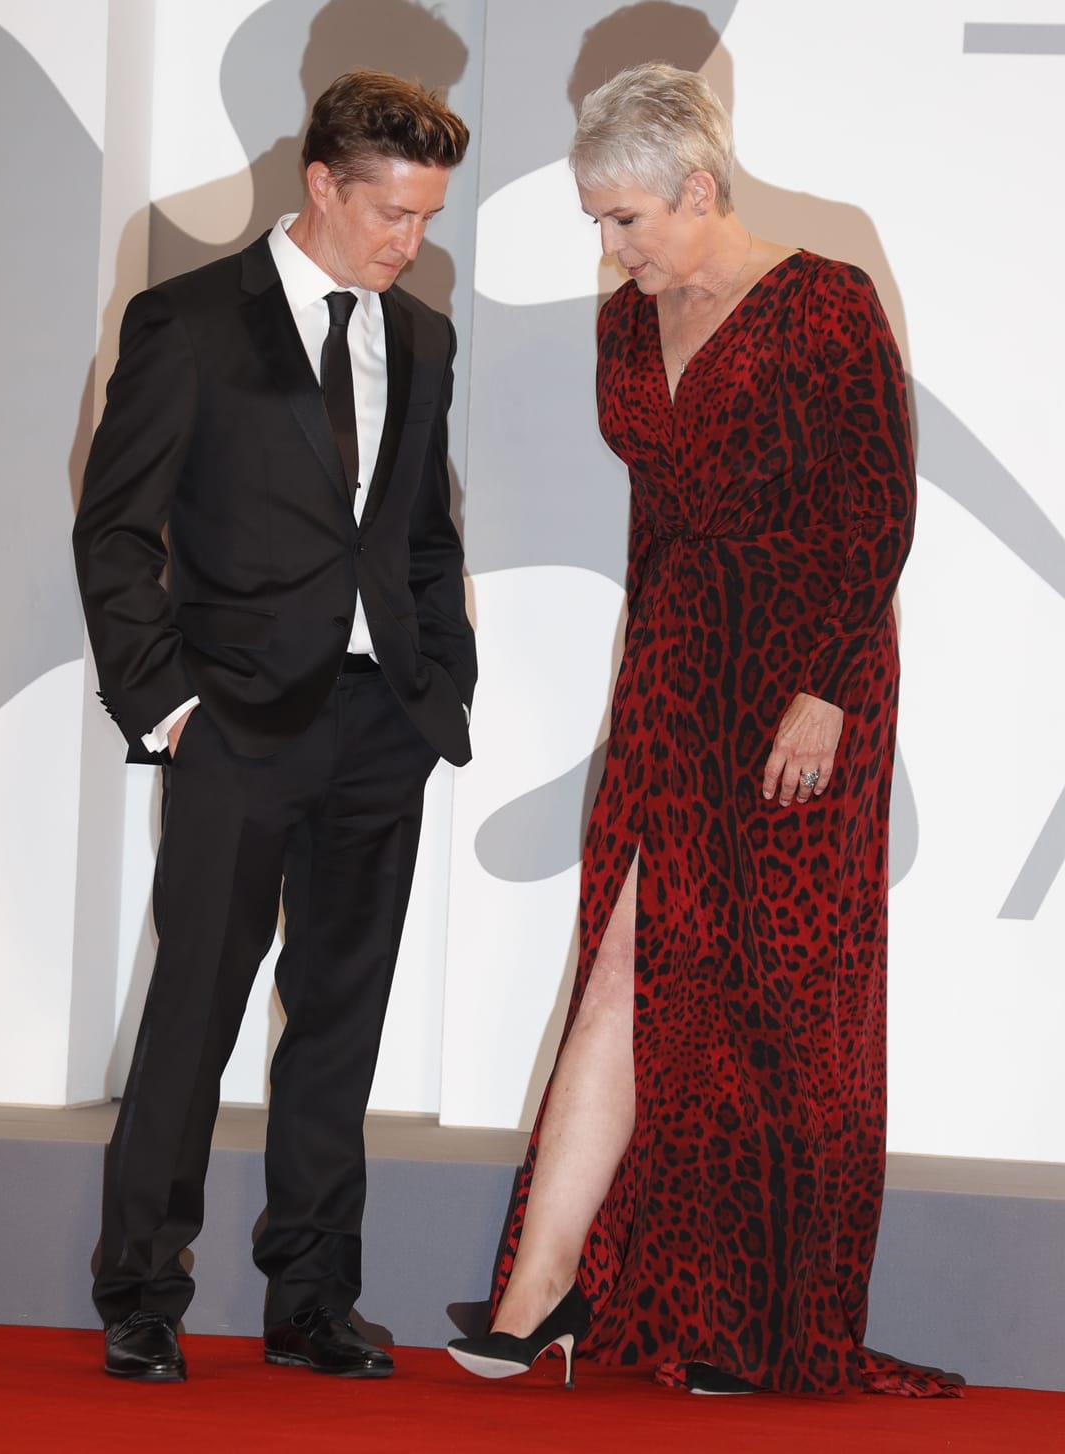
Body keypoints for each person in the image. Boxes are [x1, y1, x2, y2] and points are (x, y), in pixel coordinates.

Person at [448, 63, 958, 1398]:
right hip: (677, 668)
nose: (609, 251)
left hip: (807, 674)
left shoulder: (826, 299)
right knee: (627, 962)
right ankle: (539, 1289)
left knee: (771, 995)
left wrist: (830, 688)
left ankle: (748, 1319)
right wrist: (634, 683)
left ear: (698, 188)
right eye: (597, 222)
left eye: (626, 220)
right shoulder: (629, 321)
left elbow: (878, 510)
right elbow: (656, 520)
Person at [74, 70, 475, 1384]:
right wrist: (168, 703)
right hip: (236, 725)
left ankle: (312, 1295)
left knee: (340, 1020)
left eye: (425, 217)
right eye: (392, 213)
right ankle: (143, 1290)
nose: (409, 241)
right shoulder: (187, 322)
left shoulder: (421, 339)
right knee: (194, 1011)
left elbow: (423, 536)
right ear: (322, 185)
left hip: (382, 731)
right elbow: (118, 531)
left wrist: (440, 690)